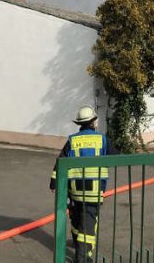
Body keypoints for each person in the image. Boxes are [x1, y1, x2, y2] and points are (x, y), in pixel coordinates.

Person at [50, 106, 116, 263]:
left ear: (80, 123)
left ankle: (77, 242)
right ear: (93, 122)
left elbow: (60, 162)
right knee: (88, 226)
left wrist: (54, 183)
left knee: (77, 219)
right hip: (93, 192)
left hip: (74, 191)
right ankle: (83, 258)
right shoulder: (102, 139)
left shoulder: (73, 140)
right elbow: (115, 157)